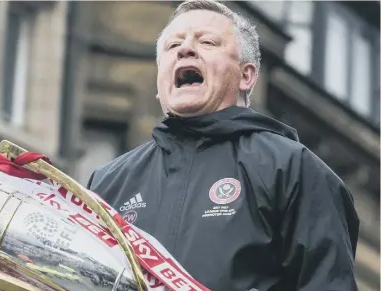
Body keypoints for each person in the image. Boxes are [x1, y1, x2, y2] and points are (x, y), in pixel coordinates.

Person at [86, 1, 360, 290]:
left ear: (246, 75)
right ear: (159, 80)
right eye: (172, 45)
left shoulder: (292, 168)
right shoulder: (108, 182)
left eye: (207, 42)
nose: (185, 49)